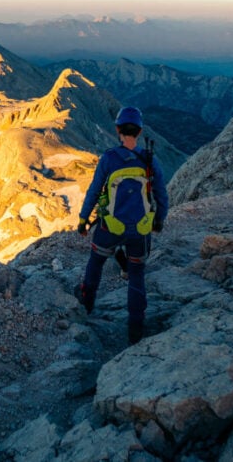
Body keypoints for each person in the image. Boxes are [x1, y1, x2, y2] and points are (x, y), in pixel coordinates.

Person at [75, 106, 169, 345]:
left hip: (110, 227)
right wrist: (158, 221)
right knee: (137, 273)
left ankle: (87, 302)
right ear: (139, 131)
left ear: (117, 129)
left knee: (96, 261)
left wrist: (84, 219)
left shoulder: (108, 158)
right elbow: (161, 195)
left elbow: (95, 191)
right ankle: (136, 329)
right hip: (140, 229)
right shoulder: (149, 159)